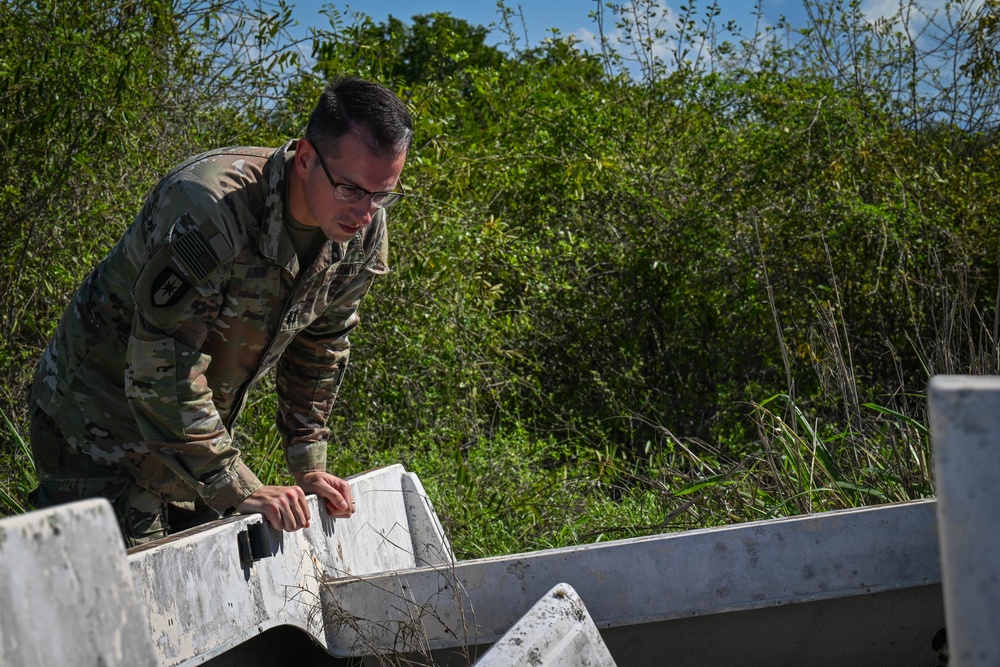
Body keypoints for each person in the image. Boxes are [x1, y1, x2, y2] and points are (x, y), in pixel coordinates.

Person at [27, 76, 413, 547]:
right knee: (106, 603)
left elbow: (323, 344)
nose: (367, 212)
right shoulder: (210, 207)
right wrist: (237, 485)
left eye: (383, 194)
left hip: (188, 440)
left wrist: (308, 463)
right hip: (98, 425)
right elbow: (162, 364)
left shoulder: (362, 231)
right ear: (307, 159)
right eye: (352, 190)